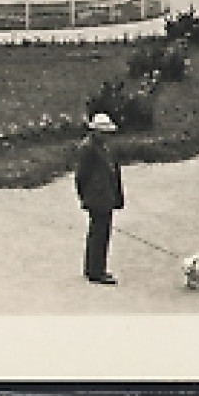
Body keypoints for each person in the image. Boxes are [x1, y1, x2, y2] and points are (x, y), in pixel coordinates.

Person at [75, 112, 124, 284]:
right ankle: (95, 271)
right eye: (103, 132)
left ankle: (96, 268)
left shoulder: (106, 147)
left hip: (106, 196)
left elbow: (114, 172)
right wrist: (85, 197)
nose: (106, 135)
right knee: (98, 233)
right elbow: (82, 176)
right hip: (96, 198)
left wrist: (117, 196)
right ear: (95, 131)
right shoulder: (87, 148)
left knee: (103, 233)